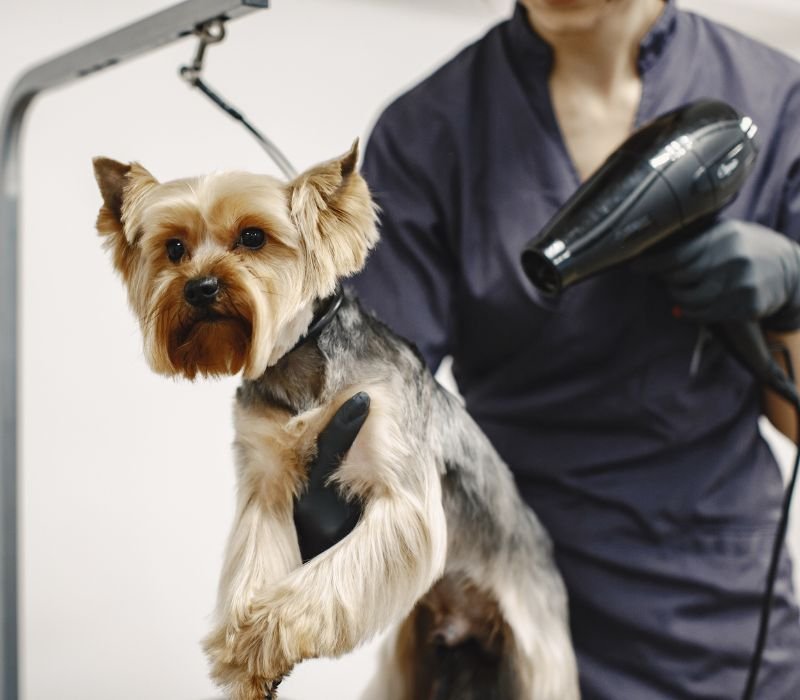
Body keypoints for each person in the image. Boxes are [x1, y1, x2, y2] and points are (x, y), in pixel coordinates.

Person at [297, 0, 800, 697]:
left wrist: (790, 299)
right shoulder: (431, 129)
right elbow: (372, 393)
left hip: (710, 608)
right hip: (502, 608)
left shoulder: (777, 102)